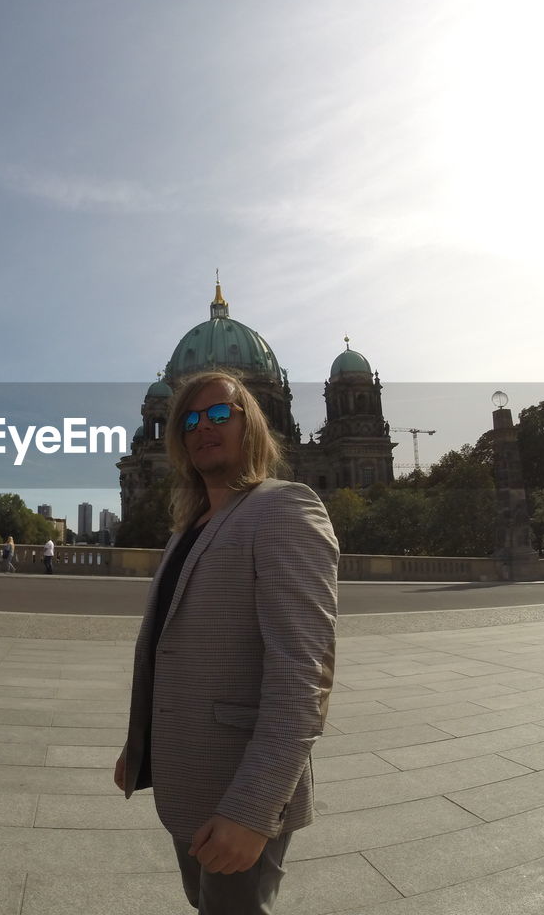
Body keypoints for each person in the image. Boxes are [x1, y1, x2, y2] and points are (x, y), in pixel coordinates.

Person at [114, 370, 339, 914]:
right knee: (203, 902)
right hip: (187, 773)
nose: (202, 428)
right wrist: (139, 744)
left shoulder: (286, 508)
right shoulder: (189, 526)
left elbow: (304, 675)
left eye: (220, 414)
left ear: (256, 422)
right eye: (189, 419)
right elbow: (172, 645)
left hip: (243, 784)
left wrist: (253, 808)